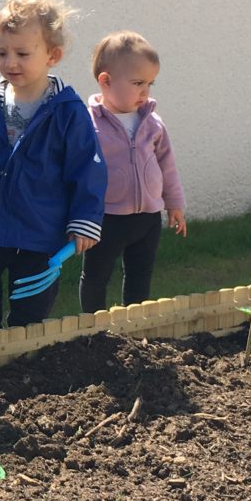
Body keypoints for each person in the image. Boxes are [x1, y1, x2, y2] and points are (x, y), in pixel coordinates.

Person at [0, 0, 106, 335]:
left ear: (53, 55)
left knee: (30, 310)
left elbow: (87, 168)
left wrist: (84, 220)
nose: (10, 62)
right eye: (2, 53)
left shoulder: (68, 112)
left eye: (22, 53)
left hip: (39, 230)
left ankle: (22, 371)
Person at [79, 31, 186, 312]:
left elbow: (167, 165)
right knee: (96, 276)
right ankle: (93, 329)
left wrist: (174, 203)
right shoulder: (87, 125)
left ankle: (135, 328)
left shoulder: (152, 123)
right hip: (107, 218)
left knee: (140, 274)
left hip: (148, 217)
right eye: (138, 83)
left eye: (150, 83)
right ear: (106, 81)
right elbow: (78, 174)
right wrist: (77, 216)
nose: (145, 92)